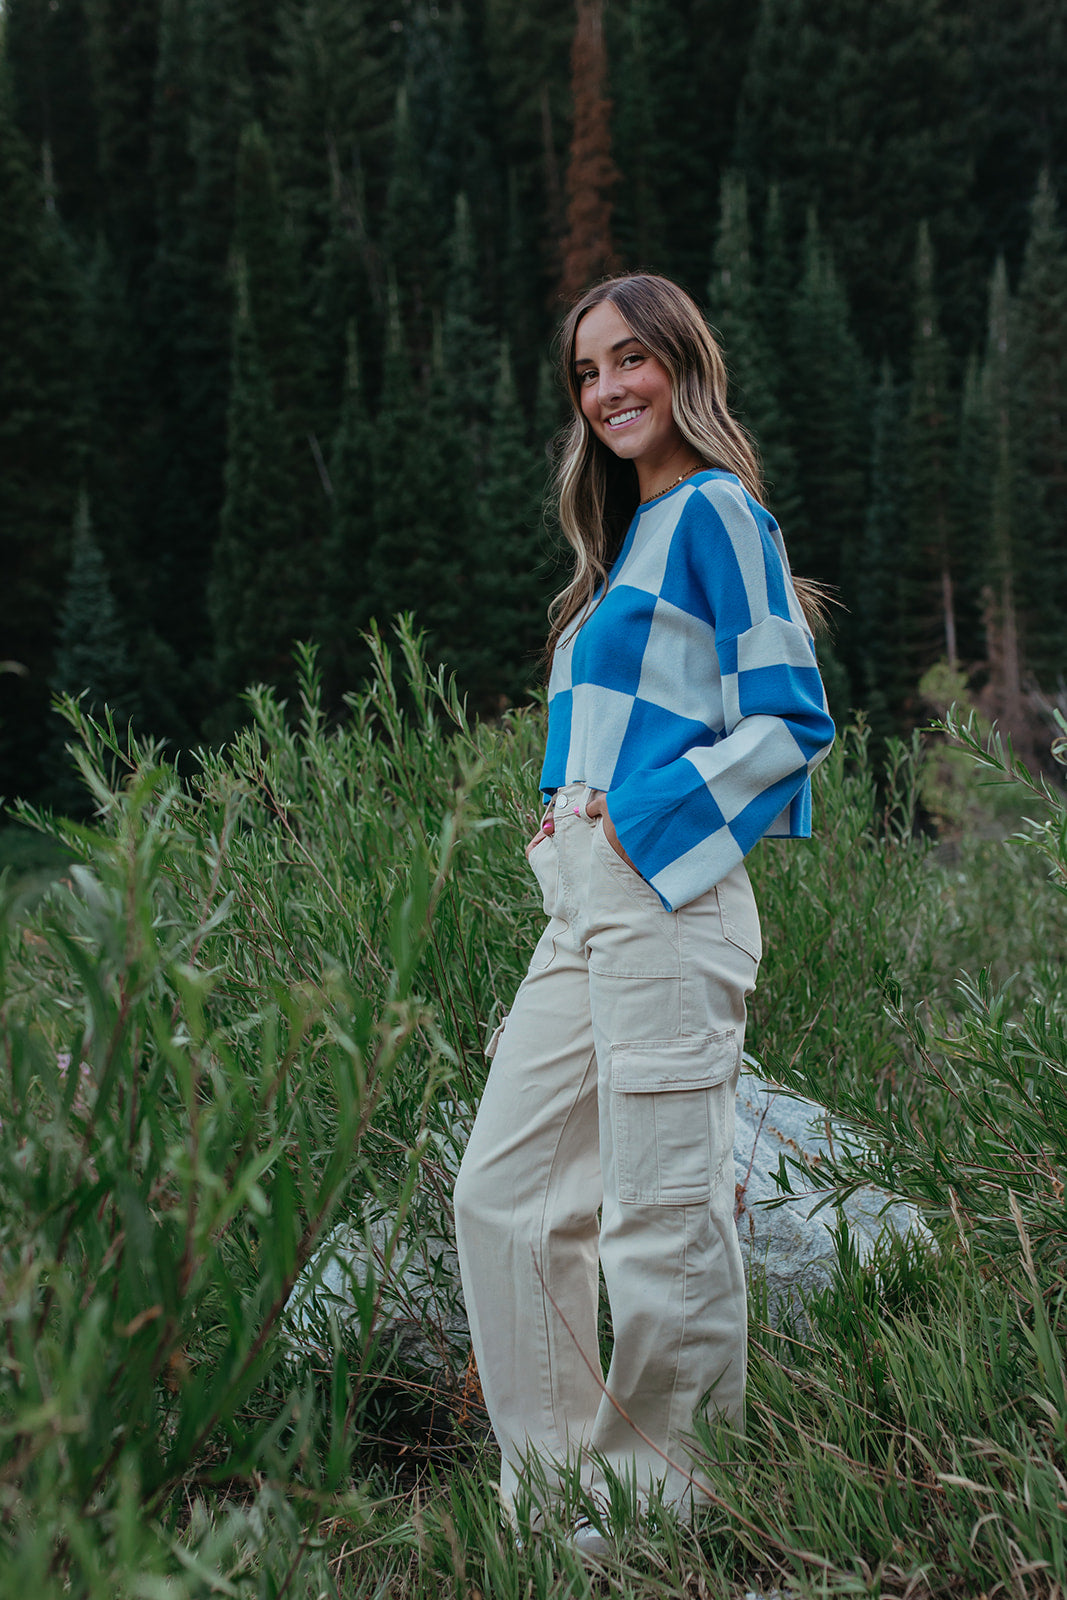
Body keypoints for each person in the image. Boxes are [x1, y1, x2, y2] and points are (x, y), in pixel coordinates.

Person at [453, 272, 835, 1547]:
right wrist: (563, 820)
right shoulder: (629, 542)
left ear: (681, 364)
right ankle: (560, 1500)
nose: (607, 388)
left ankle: (662, 1512)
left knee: (660, 1217)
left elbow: (791, 718)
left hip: (666, 897)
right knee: (500, 1195)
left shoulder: (720, 512)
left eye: (630, 360)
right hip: (584, 903)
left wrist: (635, 819)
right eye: (584, 372)